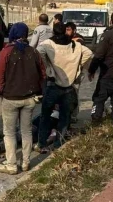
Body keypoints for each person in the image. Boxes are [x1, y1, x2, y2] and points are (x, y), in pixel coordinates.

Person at [0, 22, 46, 174]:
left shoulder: (6, 51)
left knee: (9, 132)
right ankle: (25, 162)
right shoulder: (33, 52)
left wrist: (2, 90)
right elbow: (42, 74)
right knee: (26, 131)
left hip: (10, 98)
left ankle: (11, 164)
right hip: (29, 98)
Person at [36, 22, 93, 151]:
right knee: (65, 116)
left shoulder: (48, 44)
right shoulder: (74, 45)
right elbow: (89, 53)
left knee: (45, 115)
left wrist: (48, 67)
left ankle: (42, 143)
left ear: (54, 32)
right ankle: (58, 143)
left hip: (53, 84)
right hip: (69, 86)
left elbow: (38, 51)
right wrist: (78, 66)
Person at [65, 22, 86, 124]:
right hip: (65, 72)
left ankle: (73, 116)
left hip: (76, 73)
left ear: (74, 30)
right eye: (66, 29)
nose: (66, 32)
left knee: (74, 94)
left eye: (69, 30)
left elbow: (84, 51)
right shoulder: (64, 39)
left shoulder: (79, 40)